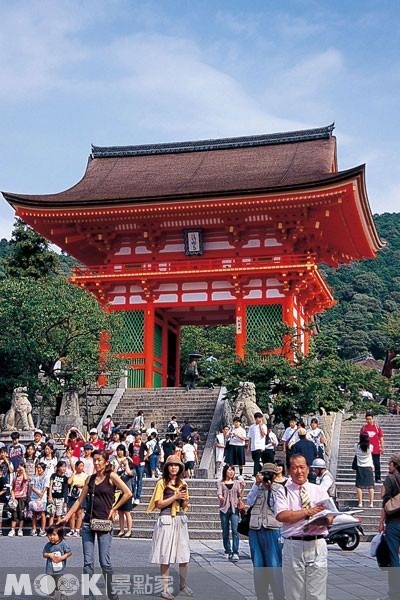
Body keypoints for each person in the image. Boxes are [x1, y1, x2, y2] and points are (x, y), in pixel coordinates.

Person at [62, 449, 132, 600]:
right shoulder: (90, 479)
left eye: (100, 460)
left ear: (106, 461)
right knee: (88, 563)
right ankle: (89, 597)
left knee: (104, 562)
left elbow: (127, 493)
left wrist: (114, 508)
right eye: (95, 460)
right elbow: (80, 500)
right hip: (88, 522)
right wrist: (66, 517)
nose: (97, 462)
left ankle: (112, 594)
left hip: (104, 523)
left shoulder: (111, 476)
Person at [274, 454, 336, 600]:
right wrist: (307, 512)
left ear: (308, 469)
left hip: (317, 543)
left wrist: (326, 520)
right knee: (294, 593)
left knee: (317, 593)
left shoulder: (319, 490)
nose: (299, 471)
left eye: (302, 467)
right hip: (294, 544)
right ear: (289, 471)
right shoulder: (283, 491)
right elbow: (282, 516)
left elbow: (330, 514)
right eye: (294, 468)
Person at [147, 454, 193, 600]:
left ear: (180, 468)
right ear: (167, 468)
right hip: (166, 518)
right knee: (165, 556)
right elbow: (158, 504)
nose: (173, 467)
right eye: (171, 465)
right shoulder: (162, 483)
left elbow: (185, 506)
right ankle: (164, 589)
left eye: (176, 465)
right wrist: (174, 497)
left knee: (184, 555)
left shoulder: (183, 483)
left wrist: (184, 500)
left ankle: (182, 583)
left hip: (180, 519)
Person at [246, 463, 285, 600]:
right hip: (256, 529)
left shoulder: (279, 488)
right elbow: (249, 502)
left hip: (272, 529)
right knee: (258, 566)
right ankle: (261, 596)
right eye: (265, 473)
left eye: (269, 474)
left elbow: (277, 507)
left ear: (275, 476)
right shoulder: (257, 487)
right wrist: (257, 485)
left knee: (274, 565)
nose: (267, 476)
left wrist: (270, 489)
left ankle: (278, 595)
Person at [379, 452, 400, 600]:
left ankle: (394, 592)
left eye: (390, 463)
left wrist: (381, 522)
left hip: (394, 522)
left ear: (395, 465)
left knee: (394, 557)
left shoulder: (390, 479)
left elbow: (385, 503)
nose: (388, 466)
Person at [217, 464, 245, 562]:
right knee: (225, 531)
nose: (231, 472)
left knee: (235, 530)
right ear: (225, 471)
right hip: (224, 509)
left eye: (232, 470)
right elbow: (219, 493)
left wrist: (243, 488)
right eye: (229, 470)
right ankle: (227, 550)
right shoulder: (220, 483)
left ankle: (235, 551)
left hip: (235, 508)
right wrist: (220, 497)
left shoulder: (237, 483)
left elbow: (240, 496)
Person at [42, 525, 72, 600]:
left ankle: (63, 595)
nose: (51, 537)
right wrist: (49, 554)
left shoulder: (63, 544)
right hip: (50, 569)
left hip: (60, 570)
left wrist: (62, 558)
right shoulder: (48, 545)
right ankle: (51, 596)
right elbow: (44, 554)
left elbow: (69, 553)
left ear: (60, 535)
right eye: (49, 535)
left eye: (54, 535)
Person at [111, 444, 134, 538]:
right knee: (119, 511)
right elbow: (113, 473)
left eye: (121, 450)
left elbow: (130, 473)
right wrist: (118, 465)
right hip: (117, 490)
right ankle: (121, 530)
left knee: (127, 512)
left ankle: (129, 530)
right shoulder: (114, 461)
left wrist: (126, 464)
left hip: (127, 490)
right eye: (118, 450)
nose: (119, 452)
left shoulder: (128, 460)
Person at [360, 411, 384, 483]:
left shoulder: (377, 427)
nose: (369, 421)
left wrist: (382, 447)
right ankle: (366, 477)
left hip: (375, 449)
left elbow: (381, 437)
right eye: (367, 419)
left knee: (376, 464)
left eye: (370, 419)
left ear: (373, 419)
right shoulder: (364, 428)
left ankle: (378, 478)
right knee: (366, 464)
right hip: (366, 449)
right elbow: (361, 438)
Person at [66, 460, 87, 537]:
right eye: (80, 466)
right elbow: (69, 482)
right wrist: (74, 473)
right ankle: (72, 529)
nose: (81, 467)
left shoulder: (85, 475)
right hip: (72, 495)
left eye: (82, 466)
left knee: (79, 513)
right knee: (72, 514)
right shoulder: (74, 475)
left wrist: (81, 485)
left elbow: (87, 485)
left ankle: (77, 530)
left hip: (81, 495)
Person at [29, 462, 49, 537]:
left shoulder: (46, 477)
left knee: (42, 513)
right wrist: (38, 493)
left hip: (42, 498)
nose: (38, 469)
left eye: (40, 468)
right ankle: (34, 529)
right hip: (34, 497)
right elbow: (32, 487)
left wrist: (41, 496)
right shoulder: (34, 477)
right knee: (34, 514)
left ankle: (42, 530)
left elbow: (45, 488)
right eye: (38, 467)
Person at [354, 431, 374, 508]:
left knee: (359, 486)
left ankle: (360, 503)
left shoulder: (356, 446)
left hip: (360, 467)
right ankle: (371, 503)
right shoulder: (370, 447)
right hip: (368, 466)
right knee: (370, 486)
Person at [128, 432, 148, 505]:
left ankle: (138, 497)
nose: (136, 437)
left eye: (137, 436)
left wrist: (144, 458)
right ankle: (133, 495)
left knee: (139, 480)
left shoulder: (142, 444)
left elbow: (148, 451)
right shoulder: (131, 444)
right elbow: (130, 453)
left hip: (140, 464)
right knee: (133, 480)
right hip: (133, 463)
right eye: (135, 436)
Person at [8, 463, 28, 537]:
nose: (19, 469)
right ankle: (12, 529)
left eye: (20, 468)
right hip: (15, 497)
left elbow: (26, 479)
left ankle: (20, 529)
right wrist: (13, 498)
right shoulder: (15, 478)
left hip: (22, 497)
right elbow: (12, 489)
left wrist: (23, 469)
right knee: (14, 514)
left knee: (21, 514)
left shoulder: (24, 477)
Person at [48, 461, 69, 526]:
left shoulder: (65, 478)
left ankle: (58, 531)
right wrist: (50, 496)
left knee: (59, 515)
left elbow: (68, 484)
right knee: (52, 515)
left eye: (65, 467)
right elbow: (50, 486)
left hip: (60, 498)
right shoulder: (53, 475)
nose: (64, 468)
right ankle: (50, 530)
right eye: (62, 466)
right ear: (58, 467)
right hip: (53, 497)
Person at [248, 412, 268, 477]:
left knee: (257, 460)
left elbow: (263, 434)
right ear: (255, 419)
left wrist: (260, 427)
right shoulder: (252, 427)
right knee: (255, 459)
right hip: (253, 446)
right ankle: (261, 469)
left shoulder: (264, 426)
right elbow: (250, 438)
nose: (259, 419)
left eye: (260, 418)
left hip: (260, 446)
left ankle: (255, 473)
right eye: (258, 418)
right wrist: (248, 447)